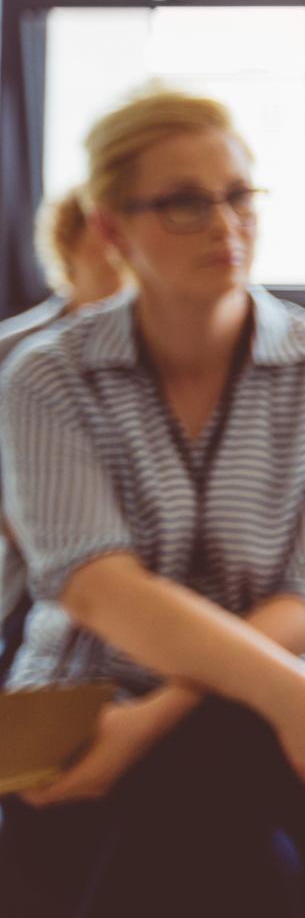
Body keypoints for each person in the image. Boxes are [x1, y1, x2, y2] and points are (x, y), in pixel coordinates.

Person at [0, 90, 305, 916]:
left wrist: (154, 722)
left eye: (239, 194)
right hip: (82, 712)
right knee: (244, 855)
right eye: (184, 201)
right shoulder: (44, 376)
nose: (225, 223)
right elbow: (98, 587)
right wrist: (284, 696)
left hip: (257, 715)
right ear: (110, 228)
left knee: (207, 789)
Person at [1, 187, 129, 680]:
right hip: (32, 586)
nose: (121, 278)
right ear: (69, 258)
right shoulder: (16, 355)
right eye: (106, 261)